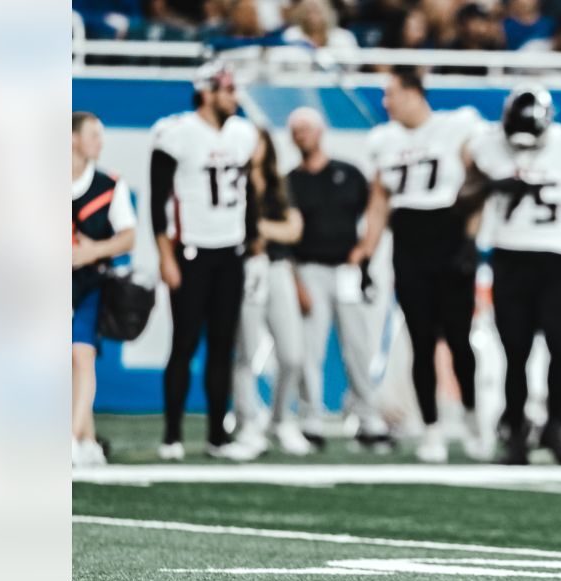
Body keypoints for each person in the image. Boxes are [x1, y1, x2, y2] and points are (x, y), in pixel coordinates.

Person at [461, 85, 561, 465]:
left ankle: (555, 429)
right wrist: (494, 184)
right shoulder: (487, 146)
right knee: (516, 352)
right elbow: (462, 199)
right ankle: (515, 434)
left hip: (558, 258)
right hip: (510, 257)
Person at [365, 68, 487, 463]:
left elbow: (478, 181)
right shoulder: (383, 140)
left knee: (458, 338)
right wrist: (367, 252)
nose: (386, 102)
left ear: (414, 93)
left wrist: (469, 239)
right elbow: (380, 201)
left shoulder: (456, 126)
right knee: (418, 339)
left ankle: (471, 417)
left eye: (391, 93)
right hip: (409, 240)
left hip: (448, 234)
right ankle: (431, 428)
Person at [151, 62, 261, 461]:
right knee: (183, 345)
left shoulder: (243, 134)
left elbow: (250, 194)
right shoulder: (176, 134)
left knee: (222, 348)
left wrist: (252, 247)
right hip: (191, 251)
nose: (236, 98)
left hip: (230, 252)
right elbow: (156, 200)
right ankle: (172, 435)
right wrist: (166, 256)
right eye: (229, 90)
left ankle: (218, 435)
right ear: (208, 92)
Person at [286, 106, 390, 451]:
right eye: (296, 129)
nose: (301, 134)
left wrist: (366, 249)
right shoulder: (292, 182)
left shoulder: (349, 173)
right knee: (309, 349)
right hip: (309, 268)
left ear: (320, 132)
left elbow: (377, 207)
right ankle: (311, 418)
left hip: (347, 269)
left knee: (358, 347)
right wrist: (297, 282)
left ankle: (367, 416)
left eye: (306, 128)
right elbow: (287, 239)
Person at [231, 127, 312, 456]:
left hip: (278, 267)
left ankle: (281, 418)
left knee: (292, 354)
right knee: (246, 352)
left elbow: (294, 230)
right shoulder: (231, 180)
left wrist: (257, 226)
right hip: (245, 266)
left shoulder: (279, 183)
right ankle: (247, 419)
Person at [72, 111, 136, 467]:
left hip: (89, 282)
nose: (101, 141)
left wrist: (91, 251)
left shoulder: (109, 184)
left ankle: (69, 436)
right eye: (94, 134)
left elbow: (128, 236)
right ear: (72, 139)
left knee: (81, 355)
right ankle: (88, 440)